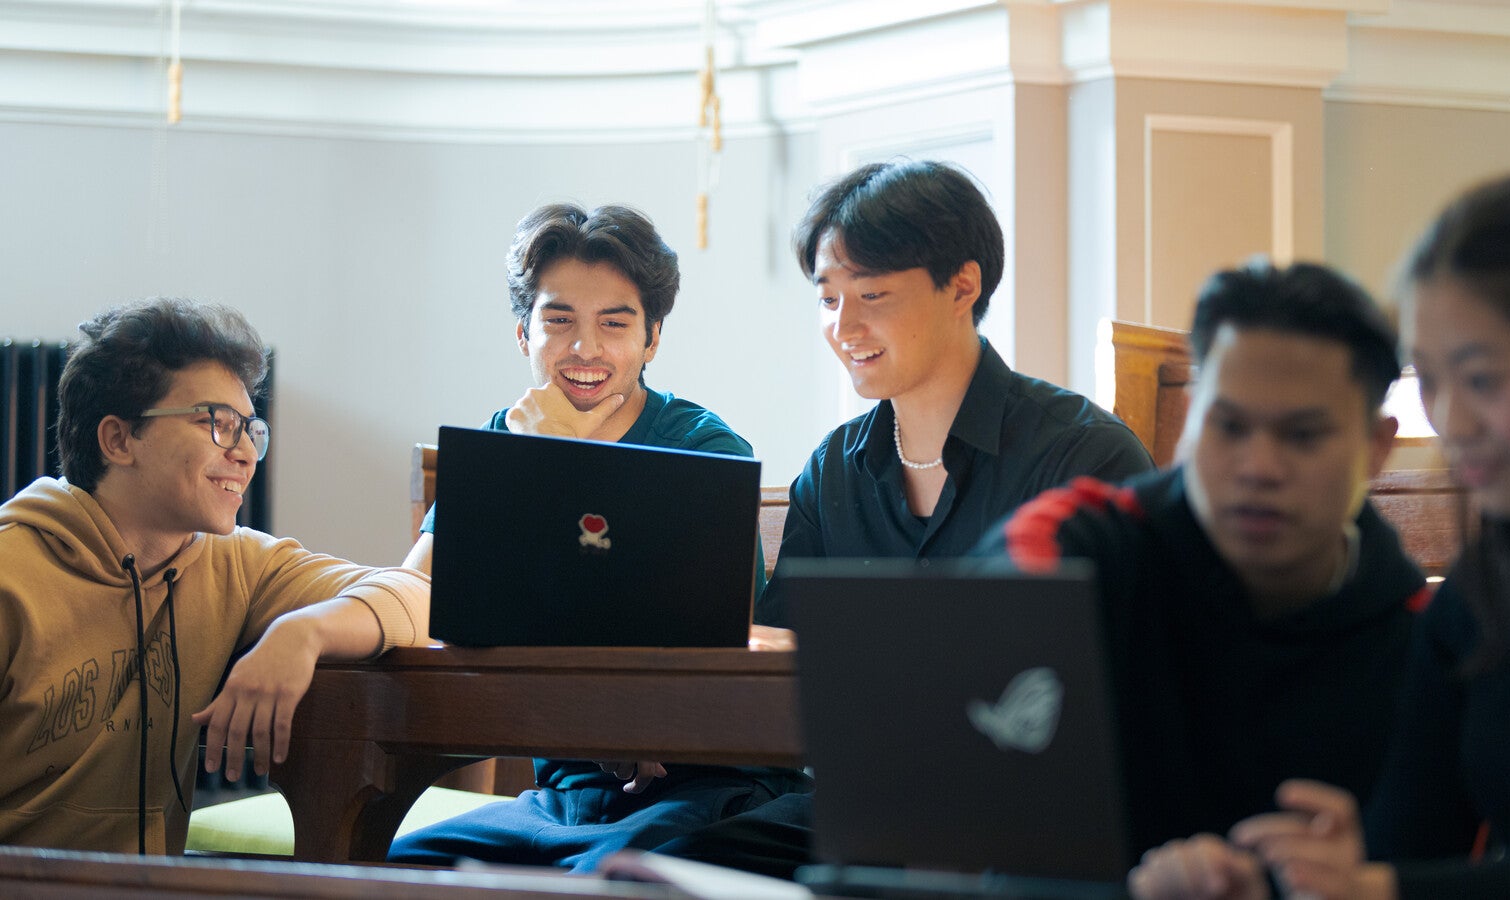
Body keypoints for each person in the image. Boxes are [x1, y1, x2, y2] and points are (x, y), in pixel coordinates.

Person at [653, 158, 1154, 876]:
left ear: (963, 286)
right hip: (867, 807)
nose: (843, 326)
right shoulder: (831, 471)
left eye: (874, 294)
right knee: (675, 865)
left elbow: (1141, 682)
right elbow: (787, 662)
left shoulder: (1084, 457)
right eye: (828, 299)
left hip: (1039, 821)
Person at [1184, 175, 1510, 900]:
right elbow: (1407, 843)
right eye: (1431, 380)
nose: (1452, 422)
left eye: (1482, 379)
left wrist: (1382, 888)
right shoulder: (1484, 595)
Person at [388, 202, 805, 872]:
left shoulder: (703, 448)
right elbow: (417, 593)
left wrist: (558, 469)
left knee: (604, 880)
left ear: (652, 337)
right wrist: (531, 464)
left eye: (615, 323)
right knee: (394, 866)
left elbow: (725, 646)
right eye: (559, 321)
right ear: (523, 334)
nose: (585, 349)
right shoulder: (505, 439)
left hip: (707, 783)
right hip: (569, 793)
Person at [991, 260, 1429, 892]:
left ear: (1377, 448)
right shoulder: (1083, 542)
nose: (1258, 467)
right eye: (1229, 426)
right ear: (1192, 419)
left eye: (1303, 435)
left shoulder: (1419, 638)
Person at [0, 298, 431, 855]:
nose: (247, 453)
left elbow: (416, 595)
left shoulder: (234, 564)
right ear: (118, 440)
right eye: (218, 425)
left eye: (251, 430)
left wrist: (303, 632)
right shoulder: (13, 573)